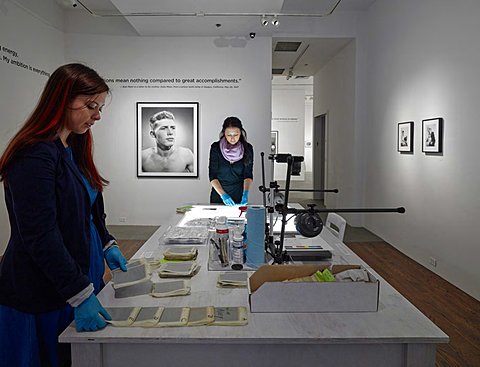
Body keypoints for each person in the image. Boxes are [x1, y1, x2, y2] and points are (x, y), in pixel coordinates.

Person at [0, 63, 128, 367]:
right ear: (61, 100)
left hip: (75, 282)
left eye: (99, 107)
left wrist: (106, 243)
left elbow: (89, 206)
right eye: (90, 105)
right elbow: (39, 234)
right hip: (41, 292)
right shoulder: (34, 154)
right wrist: (78, 293)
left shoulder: (71, 146)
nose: (97, 115)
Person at [209, 116, 253, 206]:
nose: (232, 139)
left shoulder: (247, 148)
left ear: (241, 133)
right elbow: (212, 175)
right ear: (224, 133)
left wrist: (245, 194)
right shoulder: (215, 148)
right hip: (219, 195)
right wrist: (223, 195)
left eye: (235, 135)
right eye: (229, 135)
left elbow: (248, 174)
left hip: (239, 195)